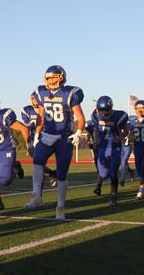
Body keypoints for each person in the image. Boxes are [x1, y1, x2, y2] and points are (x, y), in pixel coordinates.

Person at [24, 65, 85, 220]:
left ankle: (60, 207)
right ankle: (37, 196)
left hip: (64, 137)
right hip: (47, 135)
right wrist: (37, 134)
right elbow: (41, 116)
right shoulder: (41, 92)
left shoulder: (70, 93)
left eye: (53, 77)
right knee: (37, 162)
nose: (50, 80)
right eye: (48, 77)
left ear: (61, 77)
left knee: (62, 174)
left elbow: (80, 117)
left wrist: (78, 132)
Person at [90, 96, 130, 206]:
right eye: (100, 110)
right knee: (102, 173)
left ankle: (113, 197)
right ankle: (99, 185)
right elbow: (97, 129)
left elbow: (126, 131)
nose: (103, 113)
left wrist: (120, 137)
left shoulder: (119, 116)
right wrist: (96, 141)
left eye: (105, 111)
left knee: (113, 173)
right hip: (102, 148)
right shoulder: (95, 116)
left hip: (115, 148)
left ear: (111, 108)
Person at [21, 93, 58, 187]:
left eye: (36, 99)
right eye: (33, 99)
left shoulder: (47, 109)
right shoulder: (26, 110)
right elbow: (27, 127)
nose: (35, 101)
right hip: (34, 140)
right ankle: (51, 173)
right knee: (38, 164)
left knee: (39, 165)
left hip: (46, 139)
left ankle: (38, 192)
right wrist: (28, 144)